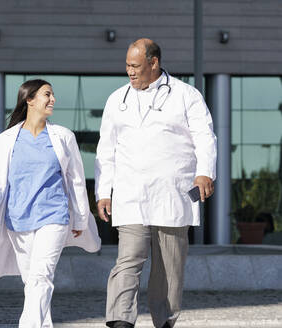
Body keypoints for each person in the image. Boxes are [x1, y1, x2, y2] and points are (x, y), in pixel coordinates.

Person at [0, 79, 101, 328]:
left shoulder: (62, 136)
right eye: (47, 94)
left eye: (53, 94)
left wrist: (79, 217)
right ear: (29, 100)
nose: (53, 99)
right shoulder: (7, 139)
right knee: (32, 281)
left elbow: (76, 179)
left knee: (41, 276)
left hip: (54, 216)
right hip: (18, 219)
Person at [95, 39, 217, 328]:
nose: (130, 72)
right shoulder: (117, 99)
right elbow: (106, 149)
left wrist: (205, 173)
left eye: (135, 66)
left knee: (169, 268)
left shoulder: (186, 95)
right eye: (127, 66)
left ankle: (164, 321)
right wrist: (103, 192)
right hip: (130, 193)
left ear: (154, 62)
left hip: (172, 192)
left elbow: (205, 136)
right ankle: (120, 320)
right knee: (128, 259)